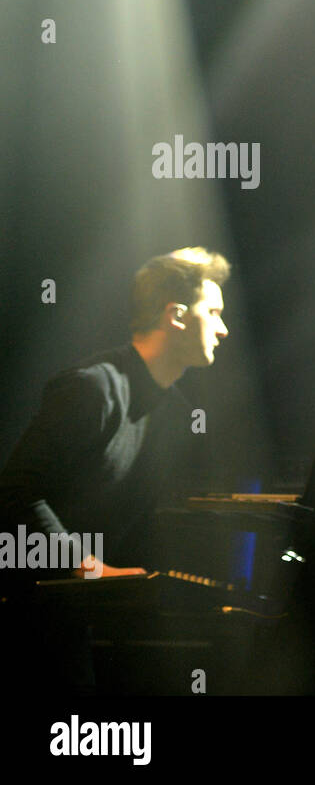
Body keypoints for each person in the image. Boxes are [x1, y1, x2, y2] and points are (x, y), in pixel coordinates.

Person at [0, 247, 230, 691]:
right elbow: (15, 493)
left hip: (69, 616)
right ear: (176, 315)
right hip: (24, 617)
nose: (223, 328)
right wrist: (90, 569)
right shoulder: (94, 388)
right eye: (214, 311)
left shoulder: (175, 412)